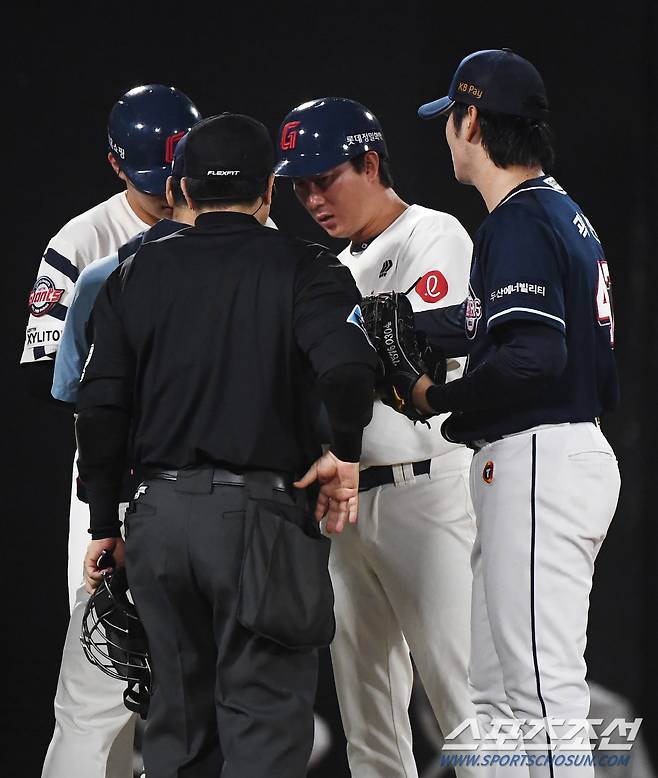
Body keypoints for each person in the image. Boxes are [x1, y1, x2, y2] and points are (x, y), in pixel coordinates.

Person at [75, 112, 380, 778]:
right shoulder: (306, 266)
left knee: (177, 741)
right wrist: (345, 454)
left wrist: (103, 523)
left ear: (182, 186)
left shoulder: (132, 274)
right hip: (258, 524)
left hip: (155, 521)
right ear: (268, 189)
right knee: (264, 738)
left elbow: (99, 411)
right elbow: (351, 372)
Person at [374, 49, 621, 776]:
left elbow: (532, 357)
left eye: (450, 118)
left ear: (472, 119)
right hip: (542, 458)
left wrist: (435, 398)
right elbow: (501, 328)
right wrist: (416, 328)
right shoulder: (555, 212)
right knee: (498, 702)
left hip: (541, 456)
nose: (446, 132)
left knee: (539, 699)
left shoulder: (517, 221)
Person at [275, 97, 479, 778]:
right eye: (299, 184)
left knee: (463, 704)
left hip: (429, 491)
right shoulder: (337, 266)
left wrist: (337, 355)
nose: (310, 197)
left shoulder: (434, 233)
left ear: (370, 161)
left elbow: (417, 356)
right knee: (370, 724)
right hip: (351, 500)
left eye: (323, 177)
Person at [26, 84, 202, 778]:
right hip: (113, 478)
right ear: (114, 164)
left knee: (171, 695)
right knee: (105, 684)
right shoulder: (81, 242)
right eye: (151, 180)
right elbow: (45, 371)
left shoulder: (233, 226)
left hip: (189, 484)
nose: (166, 194)